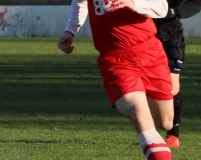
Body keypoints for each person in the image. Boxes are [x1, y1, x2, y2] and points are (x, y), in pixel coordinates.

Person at [57, 0, 174, 159]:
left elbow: (162, 8)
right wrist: (70, 31)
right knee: (139, 114)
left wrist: (133, 3)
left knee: (165, 122)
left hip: (150, 54)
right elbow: (80, 1)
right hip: (115, 60)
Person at [153, 0, 201, 148]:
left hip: (171, 35)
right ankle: (148, 131)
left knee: (171, 84)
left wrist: (172, 12)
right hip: (143, 33)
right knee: (144, 84)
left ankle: (173, 134)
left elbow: (195, 4)